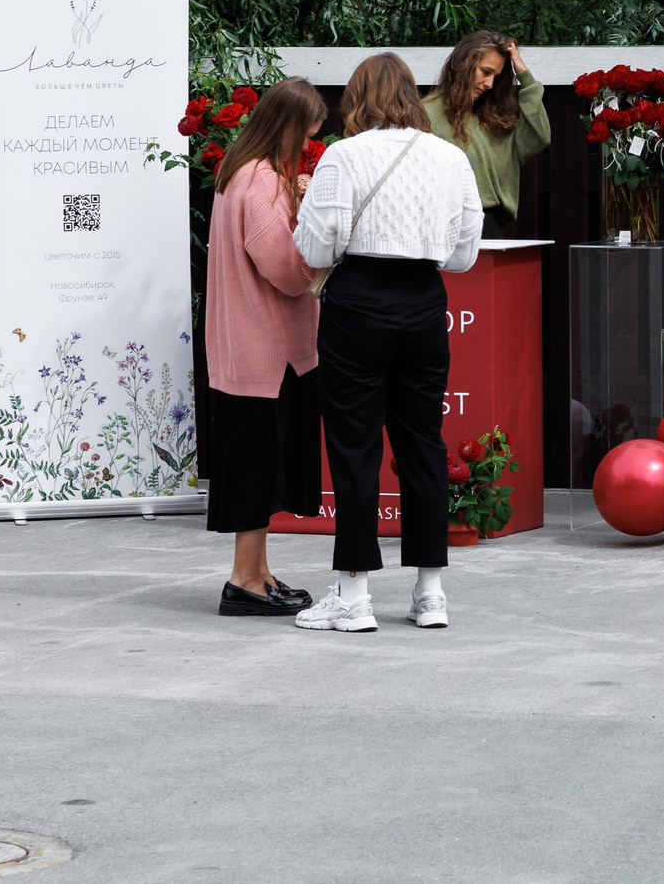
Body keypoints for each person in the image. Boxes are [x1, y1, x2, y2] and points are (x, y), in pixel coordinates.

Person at [291, 53, 483, 634]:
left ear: (357, 97)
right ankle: (430, 594)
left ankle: (353, 596)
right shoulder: (451, 157)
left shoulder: (341, 156)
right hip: (423, 302)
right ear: (410, 95)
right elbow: (465, 252)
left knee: (354, 448)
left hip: (358, 305)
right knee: (423, 443)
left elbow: (316, 249)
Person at [202, 77, 329, 617]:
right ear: (289, 127)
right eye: (307, 134)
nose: (306, 145)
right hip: (268, 353)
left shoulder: (238, 172)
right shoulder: (262, 181)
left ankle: (258, 572)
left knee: (255, 465)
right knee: (259, 469)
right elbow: (287, 270)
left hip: (244, 347)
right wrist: (322, 239)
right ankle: (244, 581)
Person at [424, 30, 551, 239]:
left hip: (489, 227)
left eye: (497, 77)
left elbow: (540, 137)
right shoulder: (426, 114)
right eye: (485, 72)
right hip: (441, 228)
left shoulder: (494, 120)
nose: (490, 84)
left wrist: (523, 74)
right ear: (463, 65)